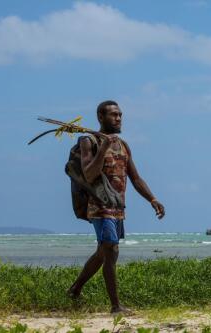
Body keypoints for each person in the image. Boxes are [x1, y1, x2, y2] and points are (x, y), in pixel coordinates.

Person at [66, 100, 165, 314]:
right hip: (99, 207)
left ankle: (74, 289)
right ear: (101, 117)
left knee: (104, 252)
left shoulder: (123, 145)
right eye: (113, 115)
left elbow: (136, 178)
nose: (118, 118)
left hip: (118, 208)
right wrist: (102, 148)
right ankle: (115, 306)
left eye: (120, 115)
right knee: (111, 250)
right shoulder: (88, 141)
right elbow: (89, 174)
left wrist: (152, 199)